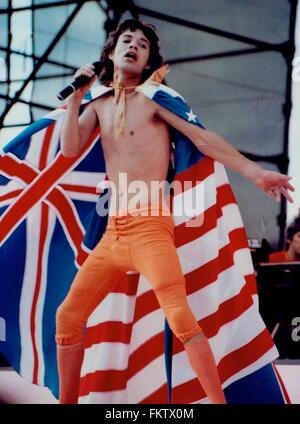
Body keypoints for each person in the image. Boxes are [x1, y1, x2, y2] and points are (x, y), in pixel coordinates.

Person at [55, 19, 294, 404]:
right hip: (114, 234)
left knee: (181, 319)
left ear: (149, 61)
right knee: (67, 318)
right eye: (127, 40)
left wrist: (256, 172)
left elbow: (202, 138)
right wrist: (76, 99)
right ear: (111, 53)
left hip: (151, 226)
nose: (133, 46)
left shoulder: (155, 97)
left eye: (143, 45)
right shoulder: (97, 103)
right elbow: (68, 150)